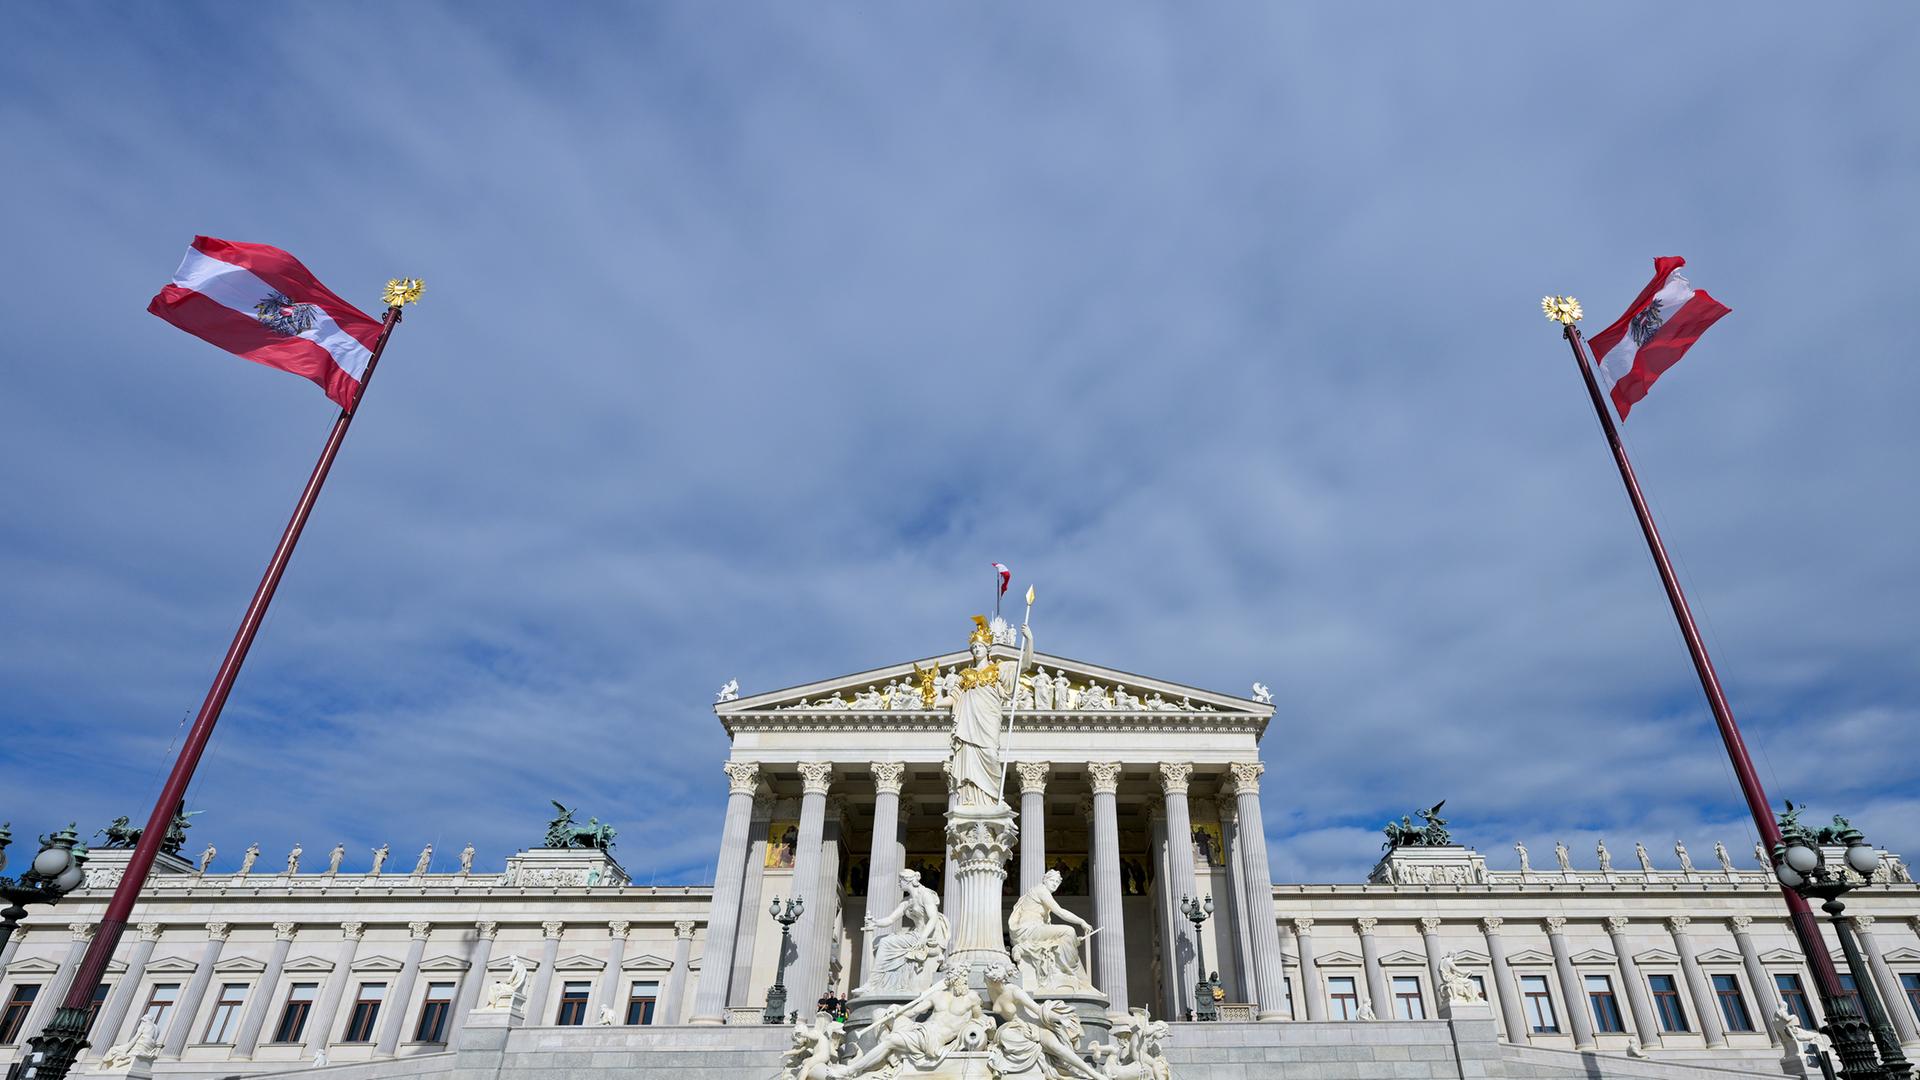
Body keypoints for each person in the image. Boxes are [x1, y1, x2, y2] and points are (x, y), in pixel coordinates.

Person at [947, 615, 1034, 810]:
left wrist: (1029, 639)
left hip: (988, 722)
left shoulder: (998, 670)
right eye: (974, 647)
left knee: (991, 757)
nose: (976, 649)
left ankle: (991, 801)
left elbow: (1025, 666)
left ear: (988, 649)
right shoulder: (965, 676)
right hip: (969, 724)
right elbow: (953, 697)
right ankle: (970, 801)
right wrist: (932, 701)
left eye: (979, 646)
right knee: (968, 760)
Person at [829, 969, 982, 1078]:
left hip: (932, 1039)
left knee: (891, 1040)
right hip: (920, 1029)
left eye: (959, 976)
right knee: (879, 1013)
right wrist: (897, 1008)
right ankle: (888, 1059)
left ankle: (850, 1070)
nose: (957, 980)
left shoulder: (972, 998)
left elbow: (979, 1019)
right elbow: (912, 1012)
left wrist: (989, 1023)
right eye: (953, 975)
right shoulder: (937, 995)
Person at [857, 868, 951, 993]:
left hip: (928, 937)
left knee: (885, 943)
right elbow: (890, 920)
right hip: (915, 934)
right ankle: (881, 983)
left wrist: (923, 937)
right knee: (878, 941)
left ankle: (872, 983)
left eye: (901, 880)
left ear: (909, 881)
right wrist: (875, 921)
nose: (899, 883)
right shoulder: (906, 901)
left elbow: (933, 918)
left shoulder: (925, 895)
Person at [1009, 868, 1094, 991]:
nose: (1055, 884)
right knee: (1068, 931)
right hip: (1029, 930)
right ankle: (1070, 971)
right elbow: (1060, 912)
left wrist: (1074, 941)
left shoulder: (1039, 892)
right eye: (1052, 881)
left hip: (1035, 929)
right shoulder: (1041, 890)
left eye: (1057, 883)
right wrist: (1081, 921)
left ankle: (1067, 972)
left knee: (1067, 938)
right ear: (1045, 880)